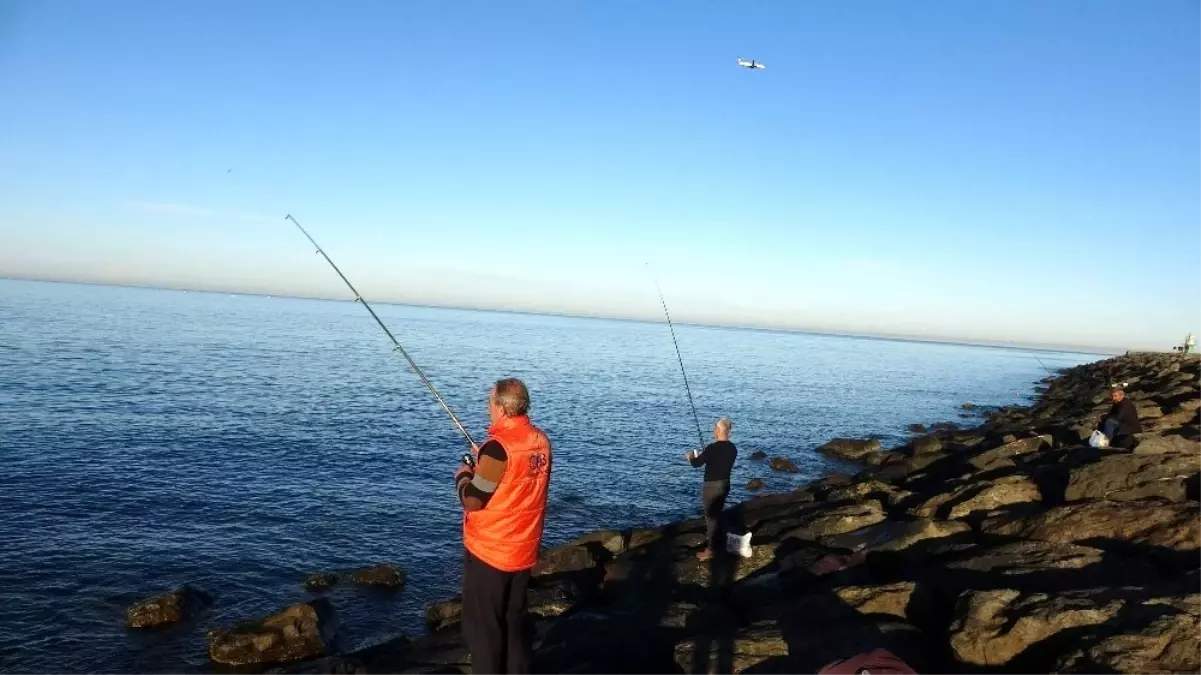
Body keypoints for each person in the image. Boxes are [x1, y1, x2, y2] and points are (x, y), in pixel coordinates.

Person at [453, 378, 552, 675]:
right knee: (513, 621)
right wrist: (485, 460)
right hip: (523, 550)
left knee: (483, 631)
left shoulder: (498, 450)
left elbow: (473, 500)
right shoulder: (540, 441)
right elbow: (518, 477)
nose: (487, 405)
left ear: (501, 408)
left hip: (492, 552)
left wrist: (463, 475)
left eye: (490, 400)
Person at [686, 417, 737, 561]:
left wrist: (690, 457)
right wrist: (707, 455)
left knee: (711, 518)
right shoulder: (733, 448)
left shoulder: (712, 448)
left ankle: (711, 550)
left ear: (718, 430)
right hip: (725, 484)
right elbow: (718, 459)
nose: (713, 429)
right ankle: (719, 543)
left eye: (715, 427)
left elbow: (696, 463)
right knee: (718, 514)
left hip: (712, 486)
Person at [1099, 384, 1141, 449]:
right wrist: (1104, 417)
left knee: (1110, 422)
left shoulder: (1126, 404)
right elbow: (1110, 414)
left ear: (1122, 395)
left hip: (1130, 427)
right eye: (1112, 396)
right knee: (1104, 420)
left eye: (1115, 396)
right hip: (1122, 425)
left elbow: (1119, 417)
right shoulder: (1117, 403)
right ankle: (1102, 440)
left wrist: (1109, 418)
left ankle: (1105, 443)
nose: (1113, 398)